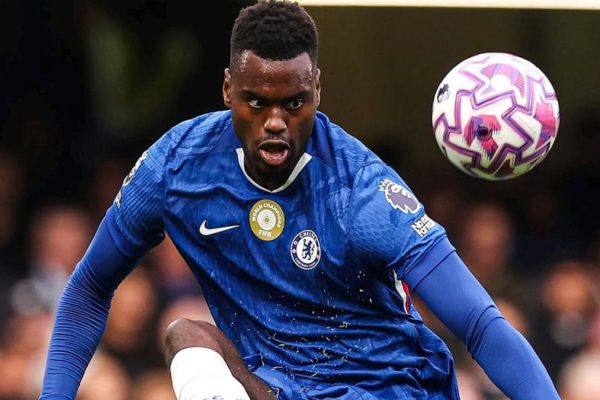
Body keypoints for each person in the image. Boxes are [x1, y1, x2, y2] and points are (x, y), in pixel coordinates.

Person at [39, 1, 560, 399]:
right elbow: (89, 287)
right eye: (256, 102)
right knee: (187, 336)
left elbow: (480, 325)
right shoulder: (175, 167)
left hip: (384, 388)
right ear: (227, 89)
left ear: (317, 91)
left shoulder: (363, 192)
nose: (275, 122)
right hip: (282, 387)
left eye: (294, 103)